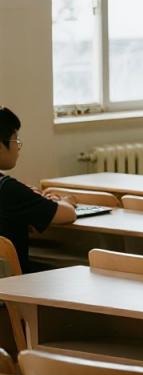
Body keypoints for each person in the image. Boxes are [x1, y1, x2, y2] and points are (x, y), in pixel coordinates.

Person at [0, 107, 76, 271]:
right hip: (14, 281)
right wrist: (66, 201)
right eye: (15, 141)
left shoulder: (12, 190)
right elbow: (67, 214)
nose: (18, 147)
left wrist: (29, 198)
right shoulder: (9, 189)